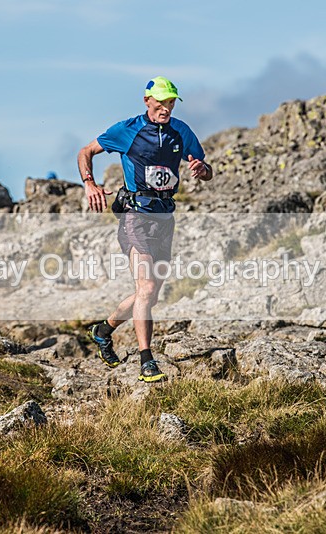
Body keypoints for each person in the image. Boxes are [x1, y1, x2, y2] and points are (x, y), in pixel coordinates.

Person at [77, 76, 213, 382]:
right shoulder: (128, 130)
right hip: (134, 217)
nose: (166, 108)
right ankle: (146, 360)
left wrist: (202, 169)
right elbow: (85, 151)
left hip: (165, 219)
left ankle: (103, 330)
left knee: (148, 295)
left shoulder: (181, 131)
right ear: (147, 100)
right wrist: (89, 184)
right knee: (147, 288)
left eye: (171, 102)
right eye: (161, 102)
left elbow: (206, 170)